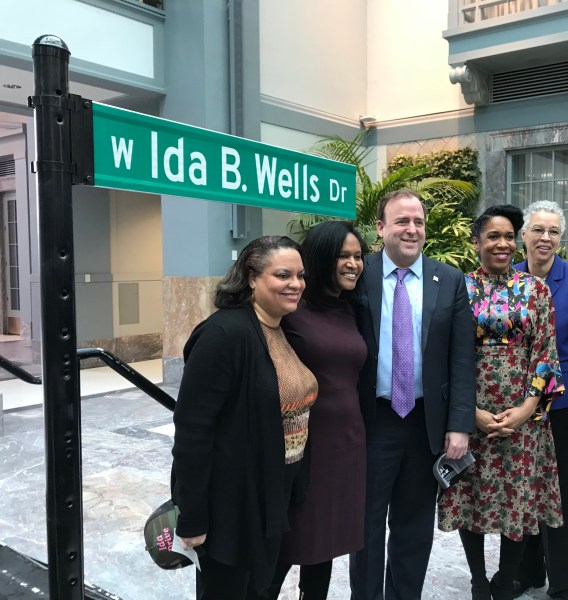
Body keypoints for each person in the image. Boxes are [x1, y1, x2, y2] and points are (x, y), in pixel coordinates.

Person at [171, 236, 318, 600]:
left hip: (270, 496)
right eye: (283, 275)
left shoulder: (278, 327)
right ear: (251, 278)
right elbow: (192, 433)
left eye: (300, 275)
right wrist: (192, 517)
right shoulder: (224, 334)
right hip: (232, 506)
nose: (296, 284)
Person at [349, 188, 477, 600]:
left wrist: (460, 425)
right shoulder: (358, 274)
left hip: (425, 425)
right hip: (372, 421)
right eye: (402, 221)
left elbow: (462, 358)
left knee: (414, 528)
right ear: (381, 227)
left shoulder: (450, 280)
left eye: (418, 222)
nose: (411, 229)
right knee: (365, 528)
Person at [438, 205, 565, 600]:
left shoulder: (537, 290)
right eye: (494, 236)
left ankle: (507, 579)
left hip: (522, 415)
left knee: (519, 497)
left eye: (510, 236)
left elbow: (546, 352)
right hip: (470, 411)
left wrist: (528, 408)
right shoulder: (457, 288)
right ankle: (478, 579)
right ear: (476, 242)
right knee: (471, 494)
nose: (503, 244)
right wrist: (467, 412)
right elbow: (441, 354)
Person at [267, 222, 369, 599]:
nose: (353, 264)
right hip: (301, 448)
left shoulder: (352, 309)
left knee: (323, 547)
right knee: (283, 545)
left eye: (358, 256)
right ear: (322, 257)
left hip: (346, 444)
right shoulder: (292, 310)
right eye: (344, 255)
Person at [513, 201, 568, 600]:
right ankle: (527, 572)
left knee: (558, 488)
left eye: (552, 231)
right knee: (522, 486)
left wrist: (559, 382)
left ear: (559, 238)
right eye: (537, 230)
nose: (544, 238)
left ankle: (564, 582)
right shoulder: (509, 278)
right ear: (524, 237)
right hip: (514, 404)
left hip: (558, 405)